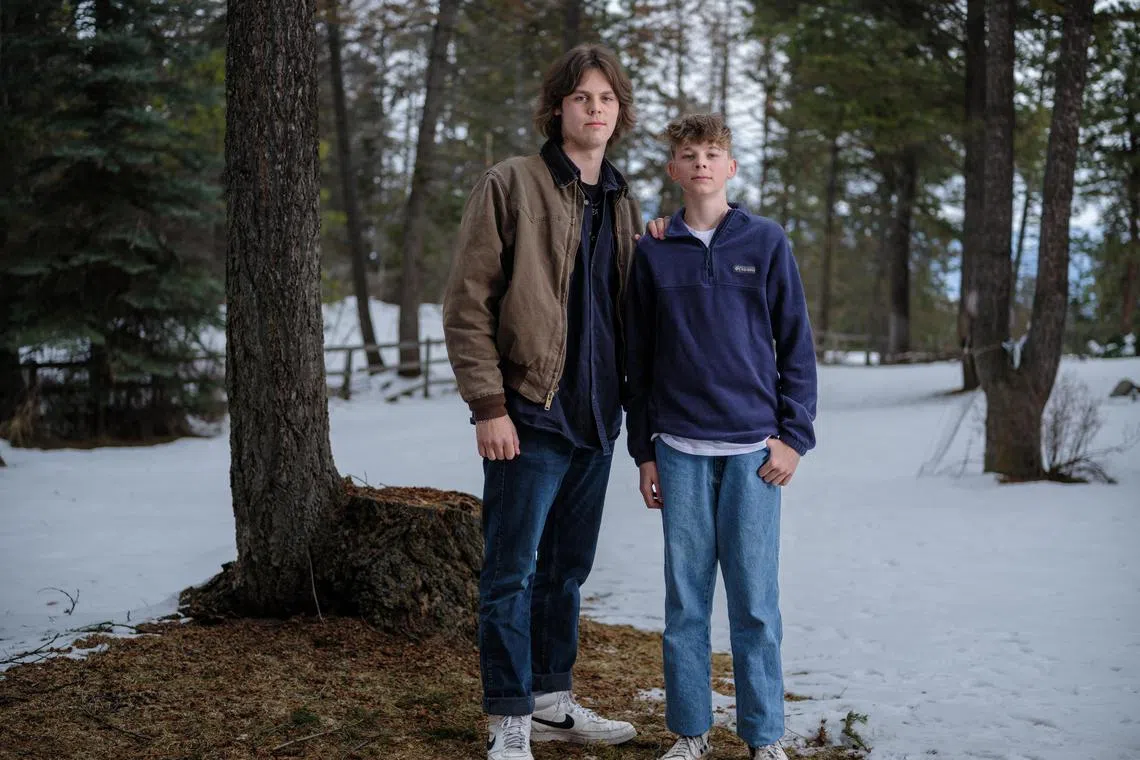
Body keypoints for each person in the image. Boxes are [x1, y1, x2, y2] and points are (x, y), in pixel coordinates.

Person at [442, 44, 643, 760]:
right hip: (528, 412)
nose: (595, 109)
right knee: (511, 572)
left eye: (607, 99)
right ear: (558, 108)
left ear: (619, 112)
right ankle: (509, 717)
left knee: (566, 573)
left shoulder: (622, 200)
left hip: (597, 419)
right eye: (582, 97)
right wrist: (488, 406)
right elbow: (468, 304)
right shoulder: (511, 183)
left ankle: (553, 701)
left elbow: (631, 310)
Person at [624, 113, 818, 760]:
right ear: (674, 170)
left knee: (755, 603)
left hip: (754, 452)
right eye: (689, 154)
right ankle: (690, 732)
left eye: (712, 153)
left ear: (731, 167)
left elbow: (796, 345)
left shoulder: (766, 241)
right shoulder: (653, 250)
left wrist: (793, 437)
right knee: (685, 602)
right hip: (678, 448)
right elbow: (638, 360)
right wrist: (645, 451)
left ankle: (764, 738)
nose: (701, 163)